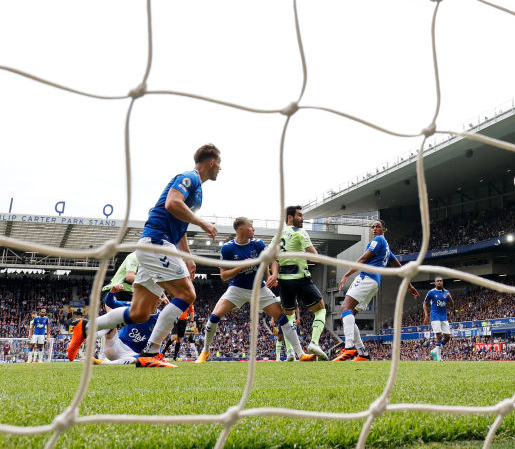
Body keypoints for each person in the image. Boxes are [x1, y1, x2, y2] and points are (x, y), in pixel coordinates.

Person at [67, 143, 221, 368]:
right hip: (157, 244)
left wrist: (188, 258)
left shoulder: (198, 192)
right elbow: (172, 203)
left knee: (140, 313)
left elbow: (180, 226)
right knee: (188, 294)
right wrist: (202, 221)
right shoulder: (190, 177)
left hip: (156, 245)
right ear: (212, 162)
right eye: (220, 164)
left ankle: (85, 327)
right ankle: (152, 351)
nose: (220, 169)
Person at [196, 216, 311, 362]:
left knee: (282, 318)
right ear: (241, 229)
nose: (254, 229)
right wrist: (240, 267)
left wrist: (273, 275)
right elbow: (224, 276)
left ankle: (301, 354)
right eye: (251, 226)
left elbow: (272, 260)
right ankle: (205, 351)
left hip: (259, 289)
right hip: (237, 289)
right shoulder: (228, 248)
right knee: (214, 316)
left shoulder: (258, 244)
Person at [334, 220, 418, 361]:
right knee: (348, 315)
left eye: (378, 226)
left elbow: (364, 258)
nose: (374, 228)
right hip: (374, 284)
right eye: (372, 227)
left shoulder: (378, 240)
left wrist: (346, 275)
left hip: (367, 277)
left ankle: (348, 348)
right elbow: (399, 267)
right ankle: (363, 354)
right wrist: (409, 285)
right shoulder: (386, 247)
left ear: (384, 229)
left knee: (345, 308)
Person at [276, 205, 328, 360]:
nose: (302, 218)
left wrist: (272, 274)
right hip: (300, 277)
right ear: (290, 218)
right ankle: (313, 343)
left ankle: (291, 352)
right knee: (321, 309)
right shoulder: (300, 232)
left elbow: (270, 254)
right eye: (299, 215)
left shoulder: (278, 235)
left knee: (289, 316)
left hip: (284, 280)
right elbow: (314, 255)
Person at [95, 296, 168, 365]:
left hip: (132, 354)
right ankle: (90, 332)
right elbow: (110, 304)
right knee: (111, 320)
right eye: (156, 296)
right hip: (115, 346)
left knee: (137, 359)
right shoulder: (134, 307)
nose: (159, 299)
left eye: (160, 297)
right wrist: (111, 292)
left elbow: (159, 340)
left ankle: (102, 362)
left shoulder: (160, 318)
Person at [423, 276, 454, 361]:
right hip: (435, 316)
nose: (439, 282)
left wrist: (450, 298)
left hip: (444, 317)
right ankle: (439, 357)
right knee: (439, 335)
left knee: (447, 337)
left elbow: (452, 305)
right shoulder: (431, 292)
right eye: (437, 281)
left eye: (440, 281)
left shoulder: (447, 292)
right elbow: (424, 304)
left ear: (442, 282)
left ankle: (435, 350)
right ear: (435, 283)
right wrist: (426, 315)